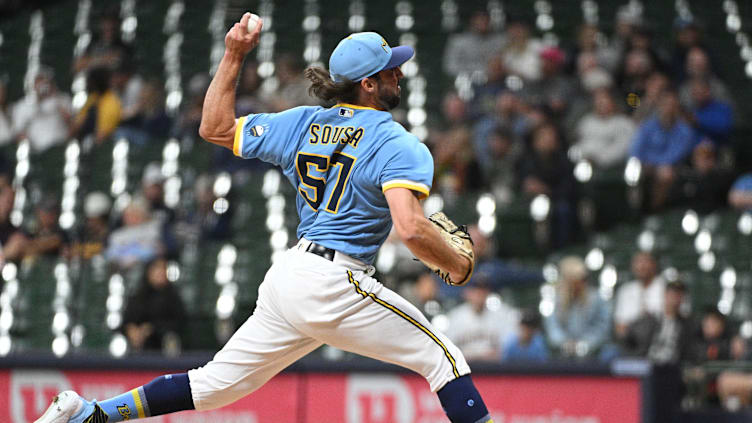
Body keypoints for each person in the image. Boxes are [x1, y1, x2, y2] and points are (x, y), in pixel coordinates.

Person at [37, 14, 492, 423]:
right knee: (443, 357)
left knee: (214, 386)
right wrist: (455, 263)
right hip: (335, 280)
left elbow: (213, 127)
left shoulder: (301, 123)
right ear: (368, 83)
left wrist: (233, 54)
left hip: (292, 275)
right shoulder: (398, 143)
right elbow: (410, 228)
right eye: (390, 67)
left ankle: (91, 416)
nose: (400, 70)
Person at [544, 256, 610, 357]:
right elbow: (552, 327)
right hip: (561, 352)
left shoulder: (596, 298)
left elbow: (602, 327)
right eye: (576, 280)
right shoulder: (554, 299)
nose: (580, 283)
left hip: (593, 352)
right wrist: (564, 342)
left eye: (583, 279)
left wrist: (585, 344)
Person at [444, 279, 519, 362]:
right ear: (466, 293)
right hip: (464, 368)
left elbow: (509, 348)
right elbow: (447, 351)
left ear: (488, 292)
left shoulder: (502, 315)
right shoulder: (455, 317)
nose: (479, 294)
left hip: (494, 369)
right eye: (475, 290)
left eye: (483, 290)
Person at [122, 257, 186, 353]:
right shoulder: (137, 296)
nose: (160, 272)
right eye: (156, 269)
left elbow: (179, 323)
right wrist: (130, 330)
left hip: (162, 348)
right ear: (148, 272)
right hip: (136, 349)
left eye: (163, 269)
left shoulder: (173, 297)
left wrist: (151, 329)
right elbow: (126, 321)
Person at [620, 280, 692, 364]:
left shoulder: (687, 324)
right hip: (649, 363)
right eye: (672, 294)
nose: (675, 298)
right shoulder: (651, 319)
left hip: (673, 366)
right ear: (665, 295)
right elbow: (631, 338)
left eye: (679, 295)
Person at [613, 251, 666, 339]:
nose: (641, 266)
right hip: (632, 341)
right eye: (638, 262)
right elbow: (619, 326)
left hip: (659, 338)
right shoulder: (625, 290)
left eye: (645, 261)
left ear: (654, 264)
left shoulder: (665, 288)